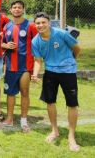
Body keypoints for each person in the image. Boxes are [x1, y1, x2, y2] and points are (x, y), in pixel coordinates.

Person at [31, 12, 81, 152]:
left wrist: (70, 61)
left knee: (72, 104)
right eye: (38, 23)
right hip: (50, 73)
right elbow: (38, 60)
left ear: (49, 23)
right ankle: (55, 131)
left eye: (43, 22)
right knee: (50, 102)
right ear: (35, 25)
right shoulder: (35, 41)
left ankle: (71, 137)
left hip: (68, 72)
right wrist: (35, 74)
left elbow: (77, 48)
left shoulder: (61, 34)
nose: (40, 25)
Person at [0, 0, 37, 133]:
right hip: (10, 66)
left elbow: (38, 43)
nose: (17, 9)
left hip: (25, 66)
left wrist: (37, 63)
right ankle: (9, 119)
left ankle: (24, 120)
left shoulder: (30, 26)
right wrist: (6, 46)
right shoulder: (7, 26)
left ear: (23, 9)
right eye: (14, 7)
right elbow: (1, 44)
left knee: (25, 92)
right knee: (10, 94)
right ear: (11, 10)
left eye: (19, 7)